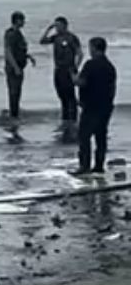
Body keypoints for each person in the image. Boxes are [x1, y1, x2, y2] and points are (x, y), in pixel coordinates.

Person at [75, 37, 117, 175]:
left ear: (94, 48)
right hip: (105, 106)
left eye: (90, 47)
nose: (90, 50)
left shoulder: (90, 64)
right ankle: (99, 165)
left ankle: (84, 166)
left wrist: (74, 79)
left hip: (91, 106)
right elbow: (112, 88)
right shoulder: (110, 66)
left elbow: (82, 82)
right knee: (101, 136)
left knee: (84, 136)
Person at [41, 17, 83, 139]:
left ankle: (73, 120)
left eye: (58, 25)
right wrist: (48, 29)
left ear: (65, 25)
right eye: (56, 26)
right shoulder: (56, 37)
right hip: (58, 70)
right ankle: (65, 120)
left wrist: (75, 68)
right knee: (62, 95)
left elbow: (80, 53)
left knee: (70, 96)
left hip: (68, 70)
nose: (57, 28)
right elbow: (42, 41)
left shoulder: (72, 38)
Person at [3, 11, 35, 123]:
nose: (24, 22)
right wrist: (15, 67)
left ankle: (15, 114)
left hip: (19, 67)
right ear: (17, 21)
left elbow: (19, 50)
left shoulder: (18, 33)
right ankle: (13, 116)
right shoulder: (11, 34)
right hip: (13, 68)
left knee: (17, 92)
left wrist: (28, 56)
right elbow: (8, 52)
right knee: (14, 92)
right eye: (22, 20)